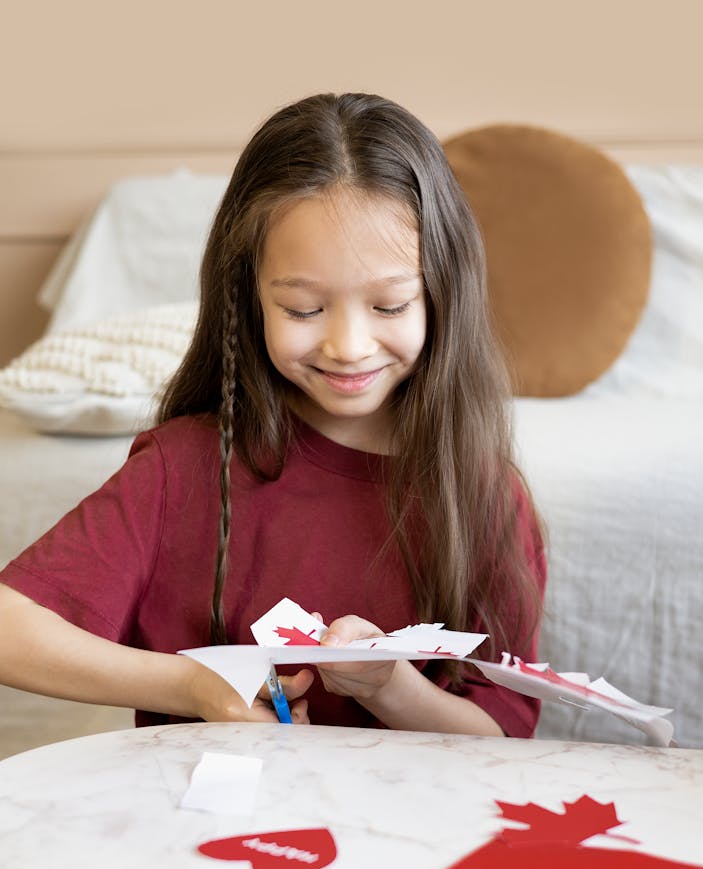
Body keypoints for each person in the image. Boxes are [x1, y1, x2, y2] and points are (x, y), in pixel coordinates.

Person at [0, 92, 545, 738]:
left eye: (391, 306)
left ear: (441, 293)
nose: (347, 345)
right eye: (304, 310)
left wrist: (390, 684)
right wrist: (192, 683)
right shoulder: (183, 468)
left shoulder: (481, 491)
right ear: (248, 296)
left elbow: (500, 737)